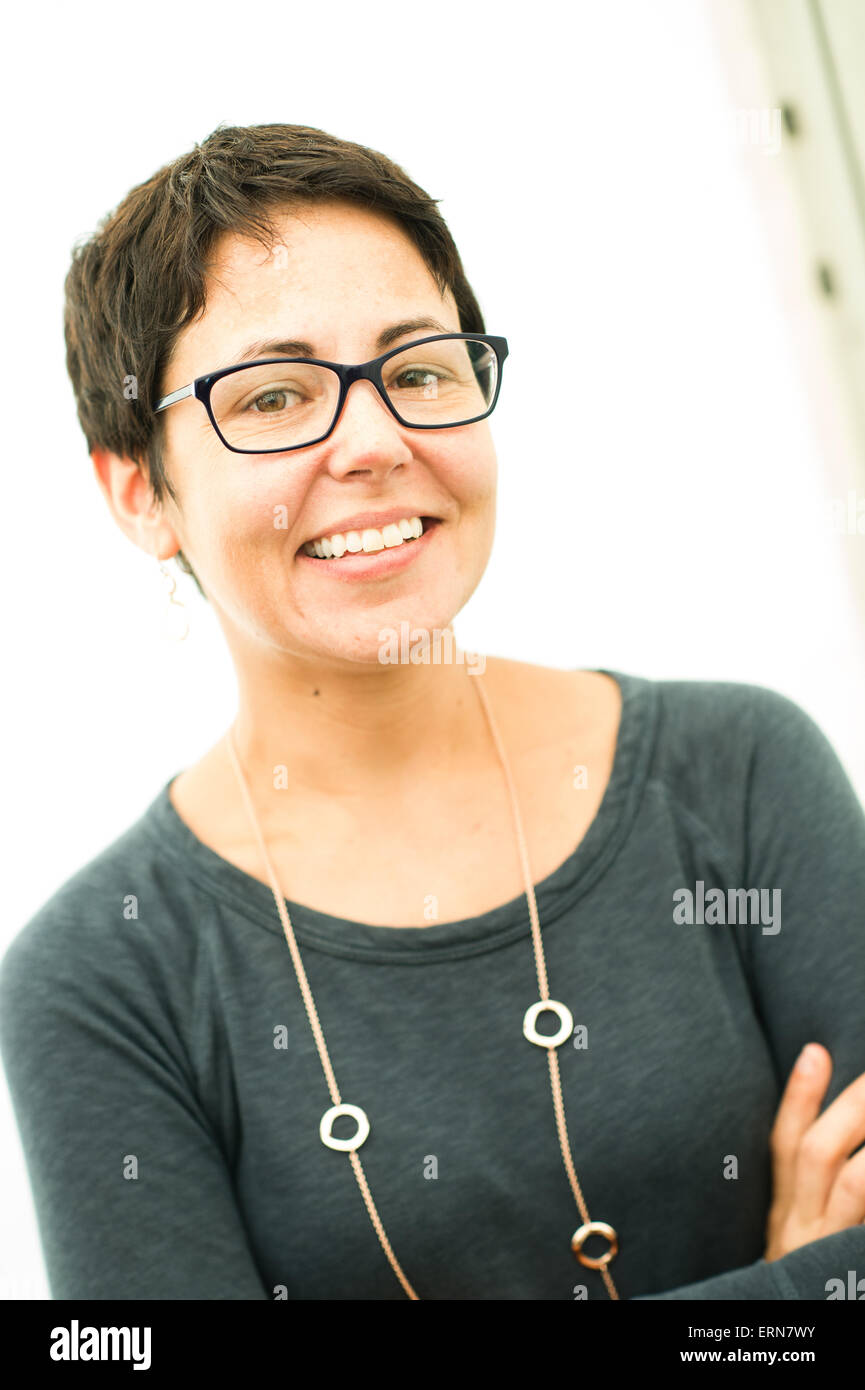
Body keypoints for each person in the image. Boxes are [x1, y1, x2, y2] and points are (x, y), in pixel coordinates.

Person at [1, 122, 864, 1301]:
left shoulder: (742, 776)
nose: (372, 441)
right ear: (139, 489)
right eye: (273, 395)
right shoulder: (102, 977)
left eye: (416, 371)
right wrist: (781, 1297)